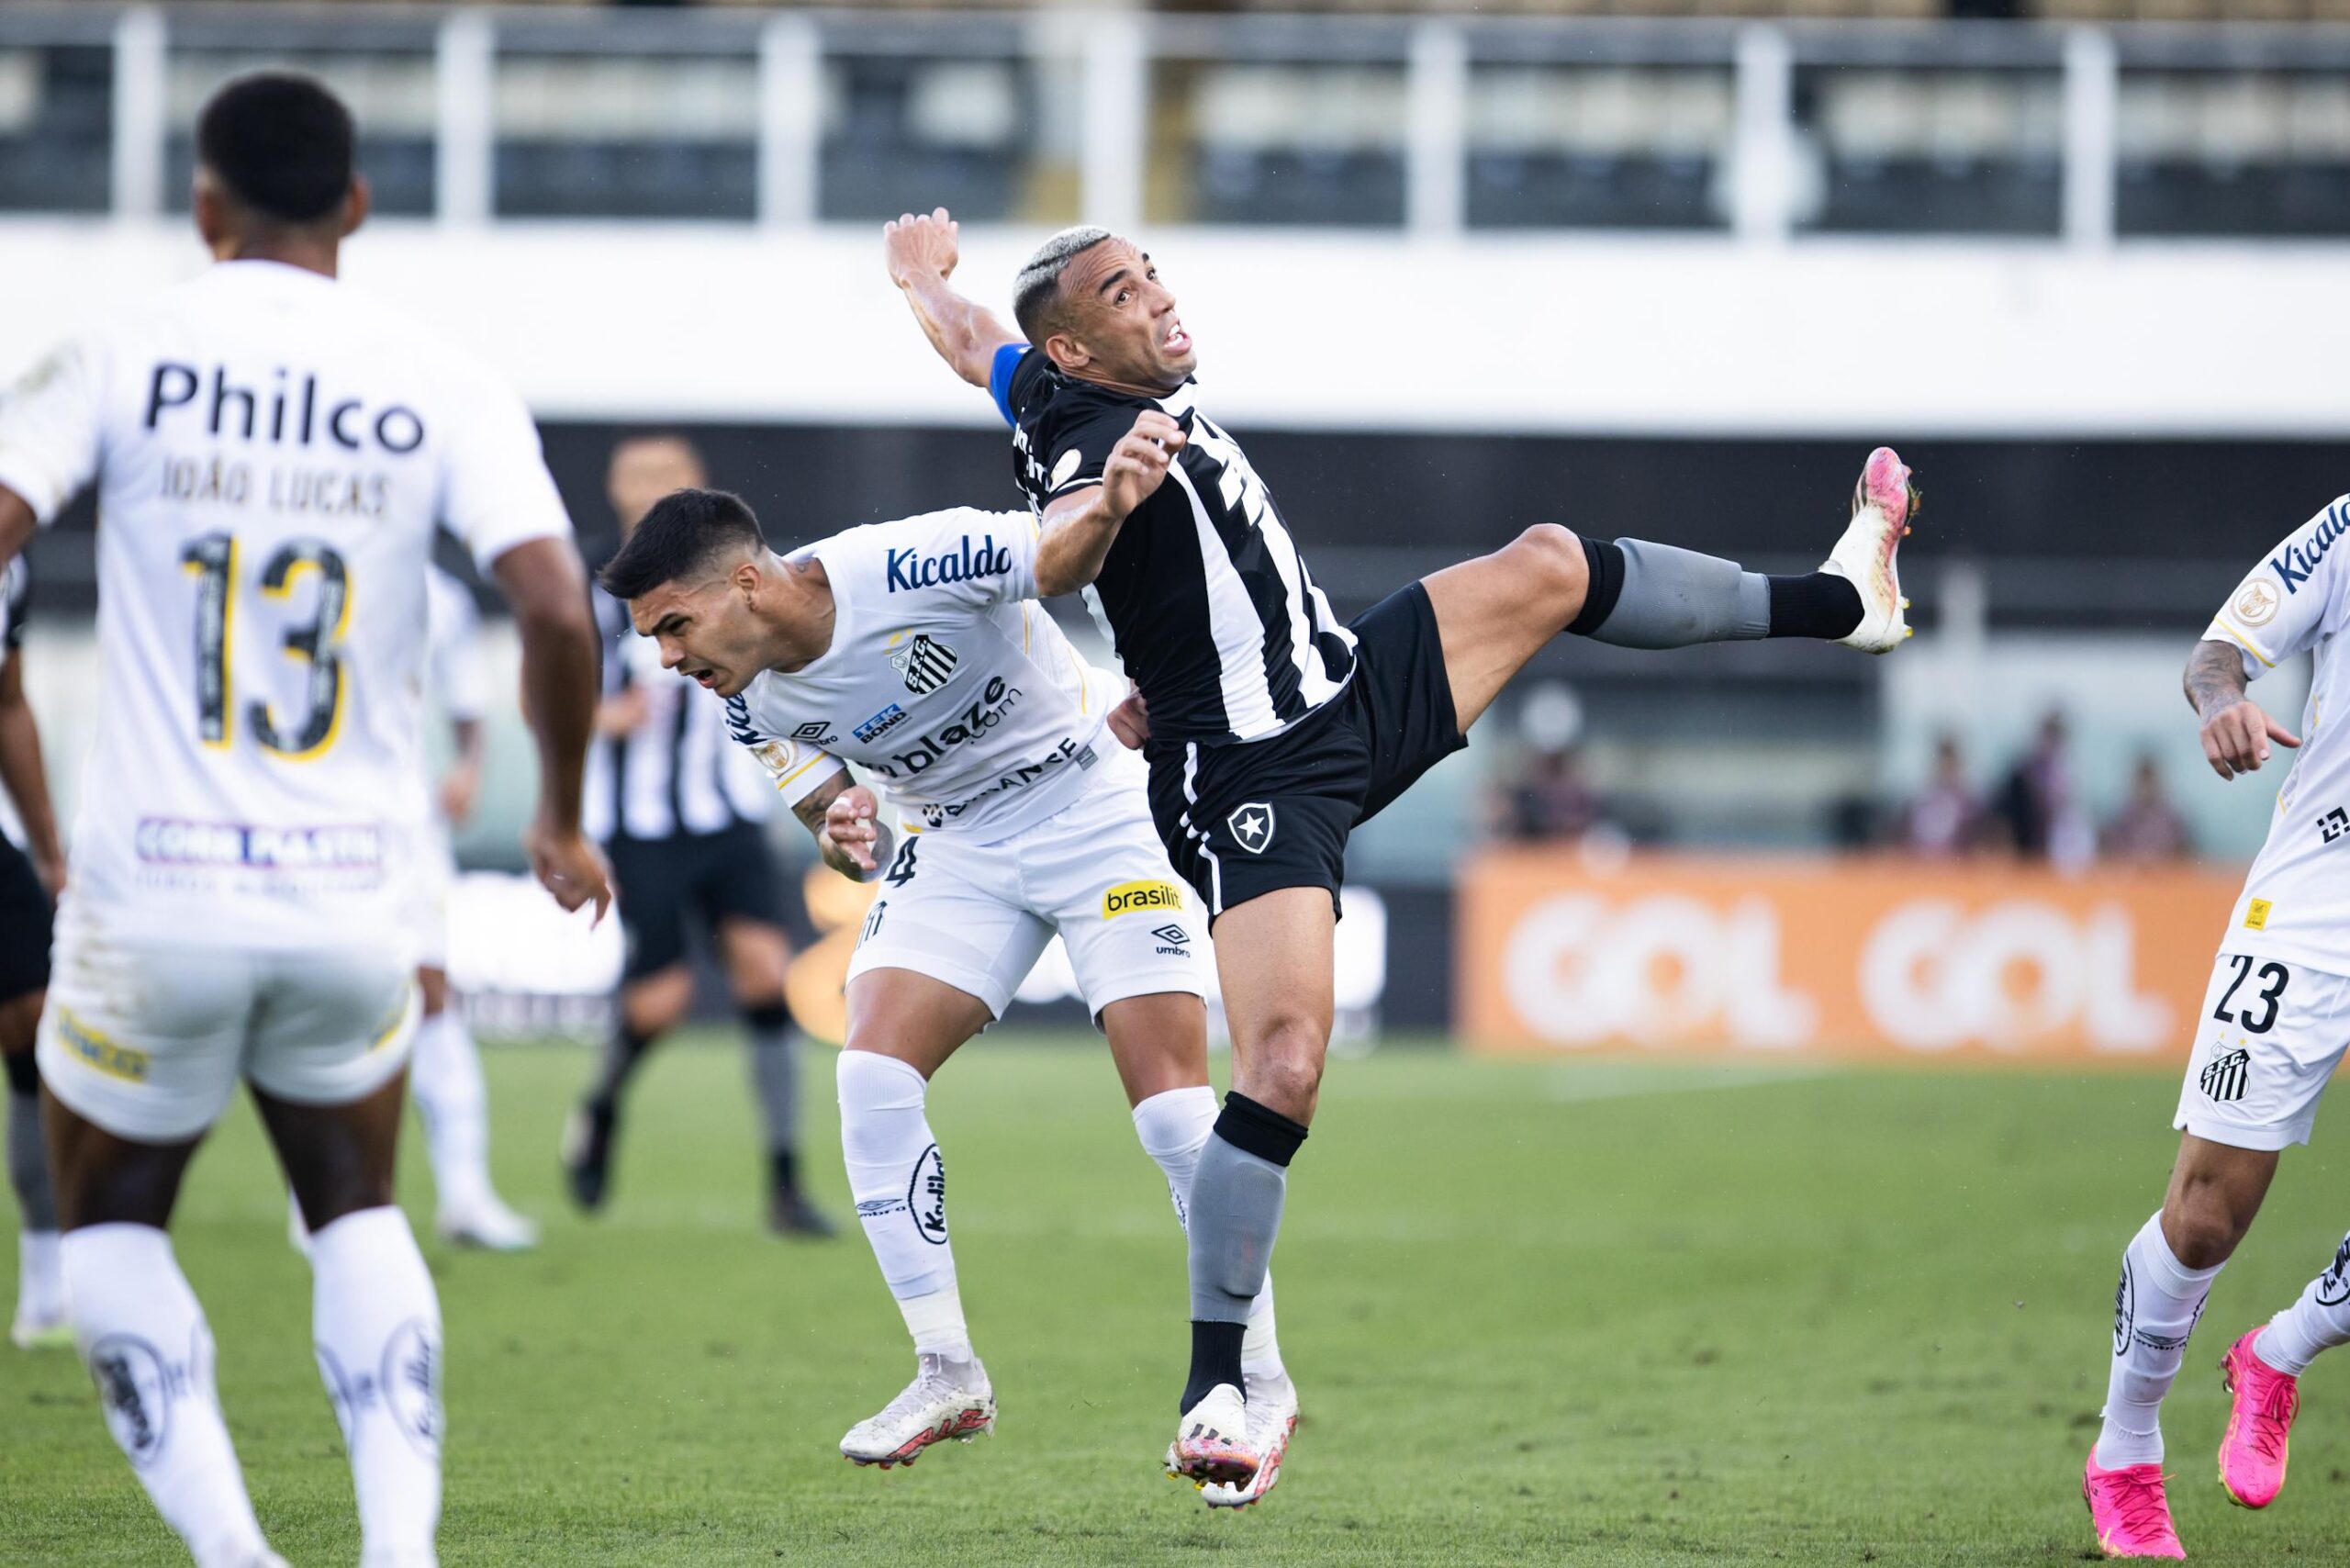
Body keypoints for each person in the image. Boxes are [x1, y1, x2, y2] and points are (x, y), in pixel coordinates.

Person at [883, 206, 1919, 1488]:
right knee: (1286, 1063)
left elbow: (973, 335)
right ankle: (1225, 1389)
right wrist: (1109, 515)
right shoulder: (1093, 439)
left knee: (1547, 565)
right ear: (1085, 354)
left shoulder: (1047, 382)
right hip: (1254, 777)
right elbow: (1060, 546)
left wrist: (921, 276)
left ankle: (1846, 601)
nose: (1158, 297)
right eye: (1123, 292)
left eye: (1150, 273)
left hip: (1349, 688)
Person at [0, 73, 608, 1567]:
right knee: (353, 1204)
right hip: (353, 890)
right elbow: (552, 605)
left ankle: (237, 1553)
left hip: (150, 888)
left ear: (203, 207)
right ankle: (396, 1554)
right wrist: (561, 816)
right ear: (357, 205)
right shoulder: (436, 374)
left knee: (115, 1226)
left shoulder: (123, 350)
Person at [598, 487, 1298, 1506]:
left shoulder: (909, 561)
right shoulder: (745, 694)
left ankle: (1257, 1384)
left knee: (1172, 1109)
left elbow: (1061, 557)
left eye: (673, 626)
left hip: (1097, 803)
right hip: (958, 845)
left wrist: (1114, 493)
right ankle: (946, 1371)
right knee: (871, 1076)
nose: (667, 658)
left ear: (746, 582)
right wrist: (841, 829)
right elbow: (827, 814)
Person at [2077, 494, 2350, 1559]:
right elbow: (2219, 651)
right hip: (2320, 894)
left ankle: (2278, 1350)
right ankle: (2124, 1450)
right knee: (2202, 1215)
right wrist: (2221, 700)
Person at [563, 435, 831, 1237]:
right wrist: (601, 717)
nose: (647, 491)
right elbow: (542, 696)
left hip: (726, 816)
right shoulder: (589, 584)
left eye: (664, 480)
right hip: (639, 828)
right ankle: (602, 1106)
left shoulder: (735, 575)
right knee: (662, 1001)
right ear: (614, 489)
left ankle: (786, 1183)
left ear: (692, 488)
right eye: (634, 479)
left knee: (763, 976)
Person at [0, 554, 69, 1346]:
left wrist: (49, 850)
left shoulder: (14, 558)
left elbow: (7, 701)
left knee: (35, 1020)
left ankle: (48, 1285)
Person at [1898, 733, 1982, 858]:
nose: (1945, 767)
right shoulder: (1922, 800)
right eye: (1942, 762)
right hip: (1922, 868)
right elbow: (1909, 839)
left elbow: (1974, 844)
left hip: (1956, 871)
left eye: (1950, 763)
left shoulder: (1966, 803)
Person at [2101, 751, 2191, 864]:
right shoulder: (2122, 813)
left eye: (2150, 780)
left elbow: (2183, 849)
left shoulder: (2172, 814)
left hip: (2165, 872)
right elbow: (2112, 849)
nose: (2147, 787)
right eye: (2143, 781)